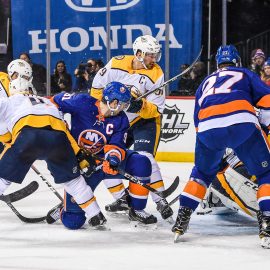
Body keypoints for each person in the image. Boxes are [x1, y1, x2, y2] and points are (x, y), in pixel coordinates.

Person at [172, 45, 270, 249]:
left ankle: (181, 220)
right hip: (242, 124)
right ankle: (267, 222)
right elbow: (267, 100)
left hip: (208, 129)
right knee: (266, 173)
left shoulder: (205, 82)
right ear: (237, 62)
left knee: (201, 173)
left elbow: (197, 121)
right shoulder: (245, 73)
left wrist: (210, 149)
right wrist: (263, 126)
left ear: (217, 64)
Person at [0, 59, 106, 227]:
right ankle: (96, 214)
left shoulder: (10, 102)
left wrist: (9, 141)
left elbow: (4, 133)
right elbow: (65, 131)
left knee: (3, 177)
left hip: (29, 137)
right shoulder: (48, 102)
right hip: (58, 140)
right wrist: (78, 153)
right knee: (73, 181)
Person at [51, 82, 158, 228]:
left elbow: (117, 144)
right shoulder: (82, 102)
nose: (124, 108)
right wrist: (58, 122)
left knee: (142, 163)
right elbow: (54, 101)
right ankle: (65, 206)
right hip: (82, 164)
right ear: (113, 102)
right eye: (122, 104)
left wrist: (113, 159)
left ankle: (137, 210)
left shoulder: (121, 119)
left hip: (102, 161)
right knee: (73, 222)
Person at [90, 35, 173, 221]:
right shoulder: (115, 64)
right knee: (106, 159)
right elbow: (95, 91)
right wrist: (113, 104)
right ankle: (122, 198)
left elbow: (156, 109)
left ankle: (160, 199)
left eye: (156, 55)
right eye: (151, 55)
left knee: (146, 158)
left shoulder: (156, 73)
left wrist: (137, 105)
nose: (154, 59)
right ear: (138, 53)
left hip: (145, 121)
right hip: (118, 120)